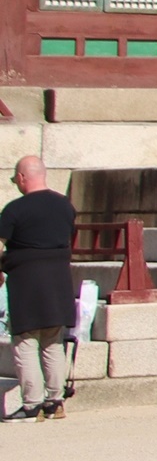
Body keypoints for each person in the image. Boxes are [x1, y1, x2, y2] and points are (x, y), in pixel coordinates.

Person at [1, 156, 78, 422]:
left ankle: (32, 405)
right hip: (59, 281)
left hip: (27, 283)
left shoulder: (14, 209)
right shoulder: (65, 206)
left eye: (15, 179)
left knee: (25, 342)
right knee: (53, 342)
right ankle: (55, 402)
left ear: (22, 177)